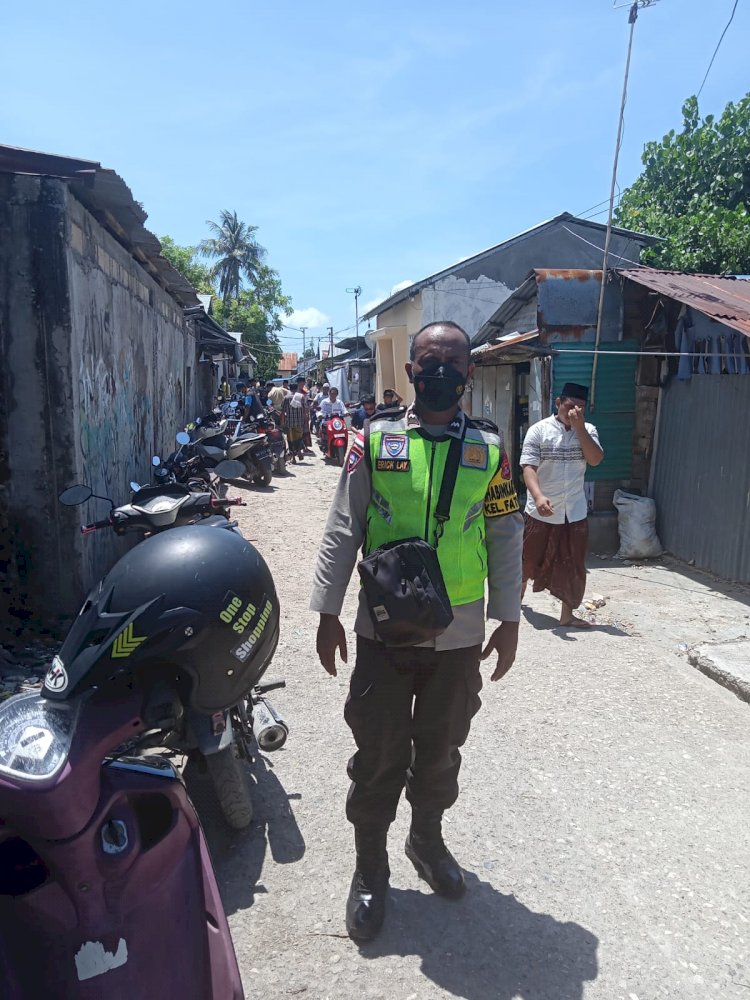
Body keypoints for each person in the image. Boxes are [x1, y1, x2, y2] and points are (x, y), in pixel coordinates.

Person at [311, 321, 523, 942]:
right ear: (409, 371)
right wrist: (326, 611)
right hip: (383, 630)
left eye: (451, 362)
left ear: (468, 373)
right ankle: (369, 868)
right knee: (377, 752)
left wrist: (508, 620)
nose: (439, 372)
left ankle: (425, 842)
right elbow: (342, 527)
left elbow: (507, 535)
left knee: (440, 751)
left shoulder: (489, 447)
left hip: (457, 634)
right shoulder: (372, 438)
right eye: (428, 361)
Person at [520, 382, 604, 628]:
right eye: (569, 406)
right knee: (527, 560)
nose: (574, 412)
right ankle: (514, 606)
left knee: (573, 563)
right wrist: (537, 496)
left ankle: (567, 616)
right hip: (541, 510)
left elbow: (596, 459)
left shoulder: (588, 430)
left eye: (580, 408)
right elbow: (528, 467)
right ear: (558, 403)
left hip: (574, 511)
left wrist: (579, 430)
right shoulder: (538, 431)